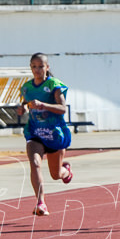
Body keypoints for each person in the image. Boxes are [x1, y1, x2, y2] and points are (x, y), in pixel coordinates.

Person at [17, 52, 74, 217]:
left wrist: (43, 105)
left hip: (54, 134)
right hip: (35, 132)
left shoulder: (54, 85)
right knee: (35, 164)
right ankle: (41, 202)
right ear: (30, 68)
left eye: (40, 66)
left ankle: (66, 171)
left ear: (47, 67)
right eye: (34, 66)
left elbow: (63, 108)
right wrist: (22, 109)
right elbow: (26, 104)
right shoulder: (26, 88)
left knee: (56, 175)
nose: (37, 70)